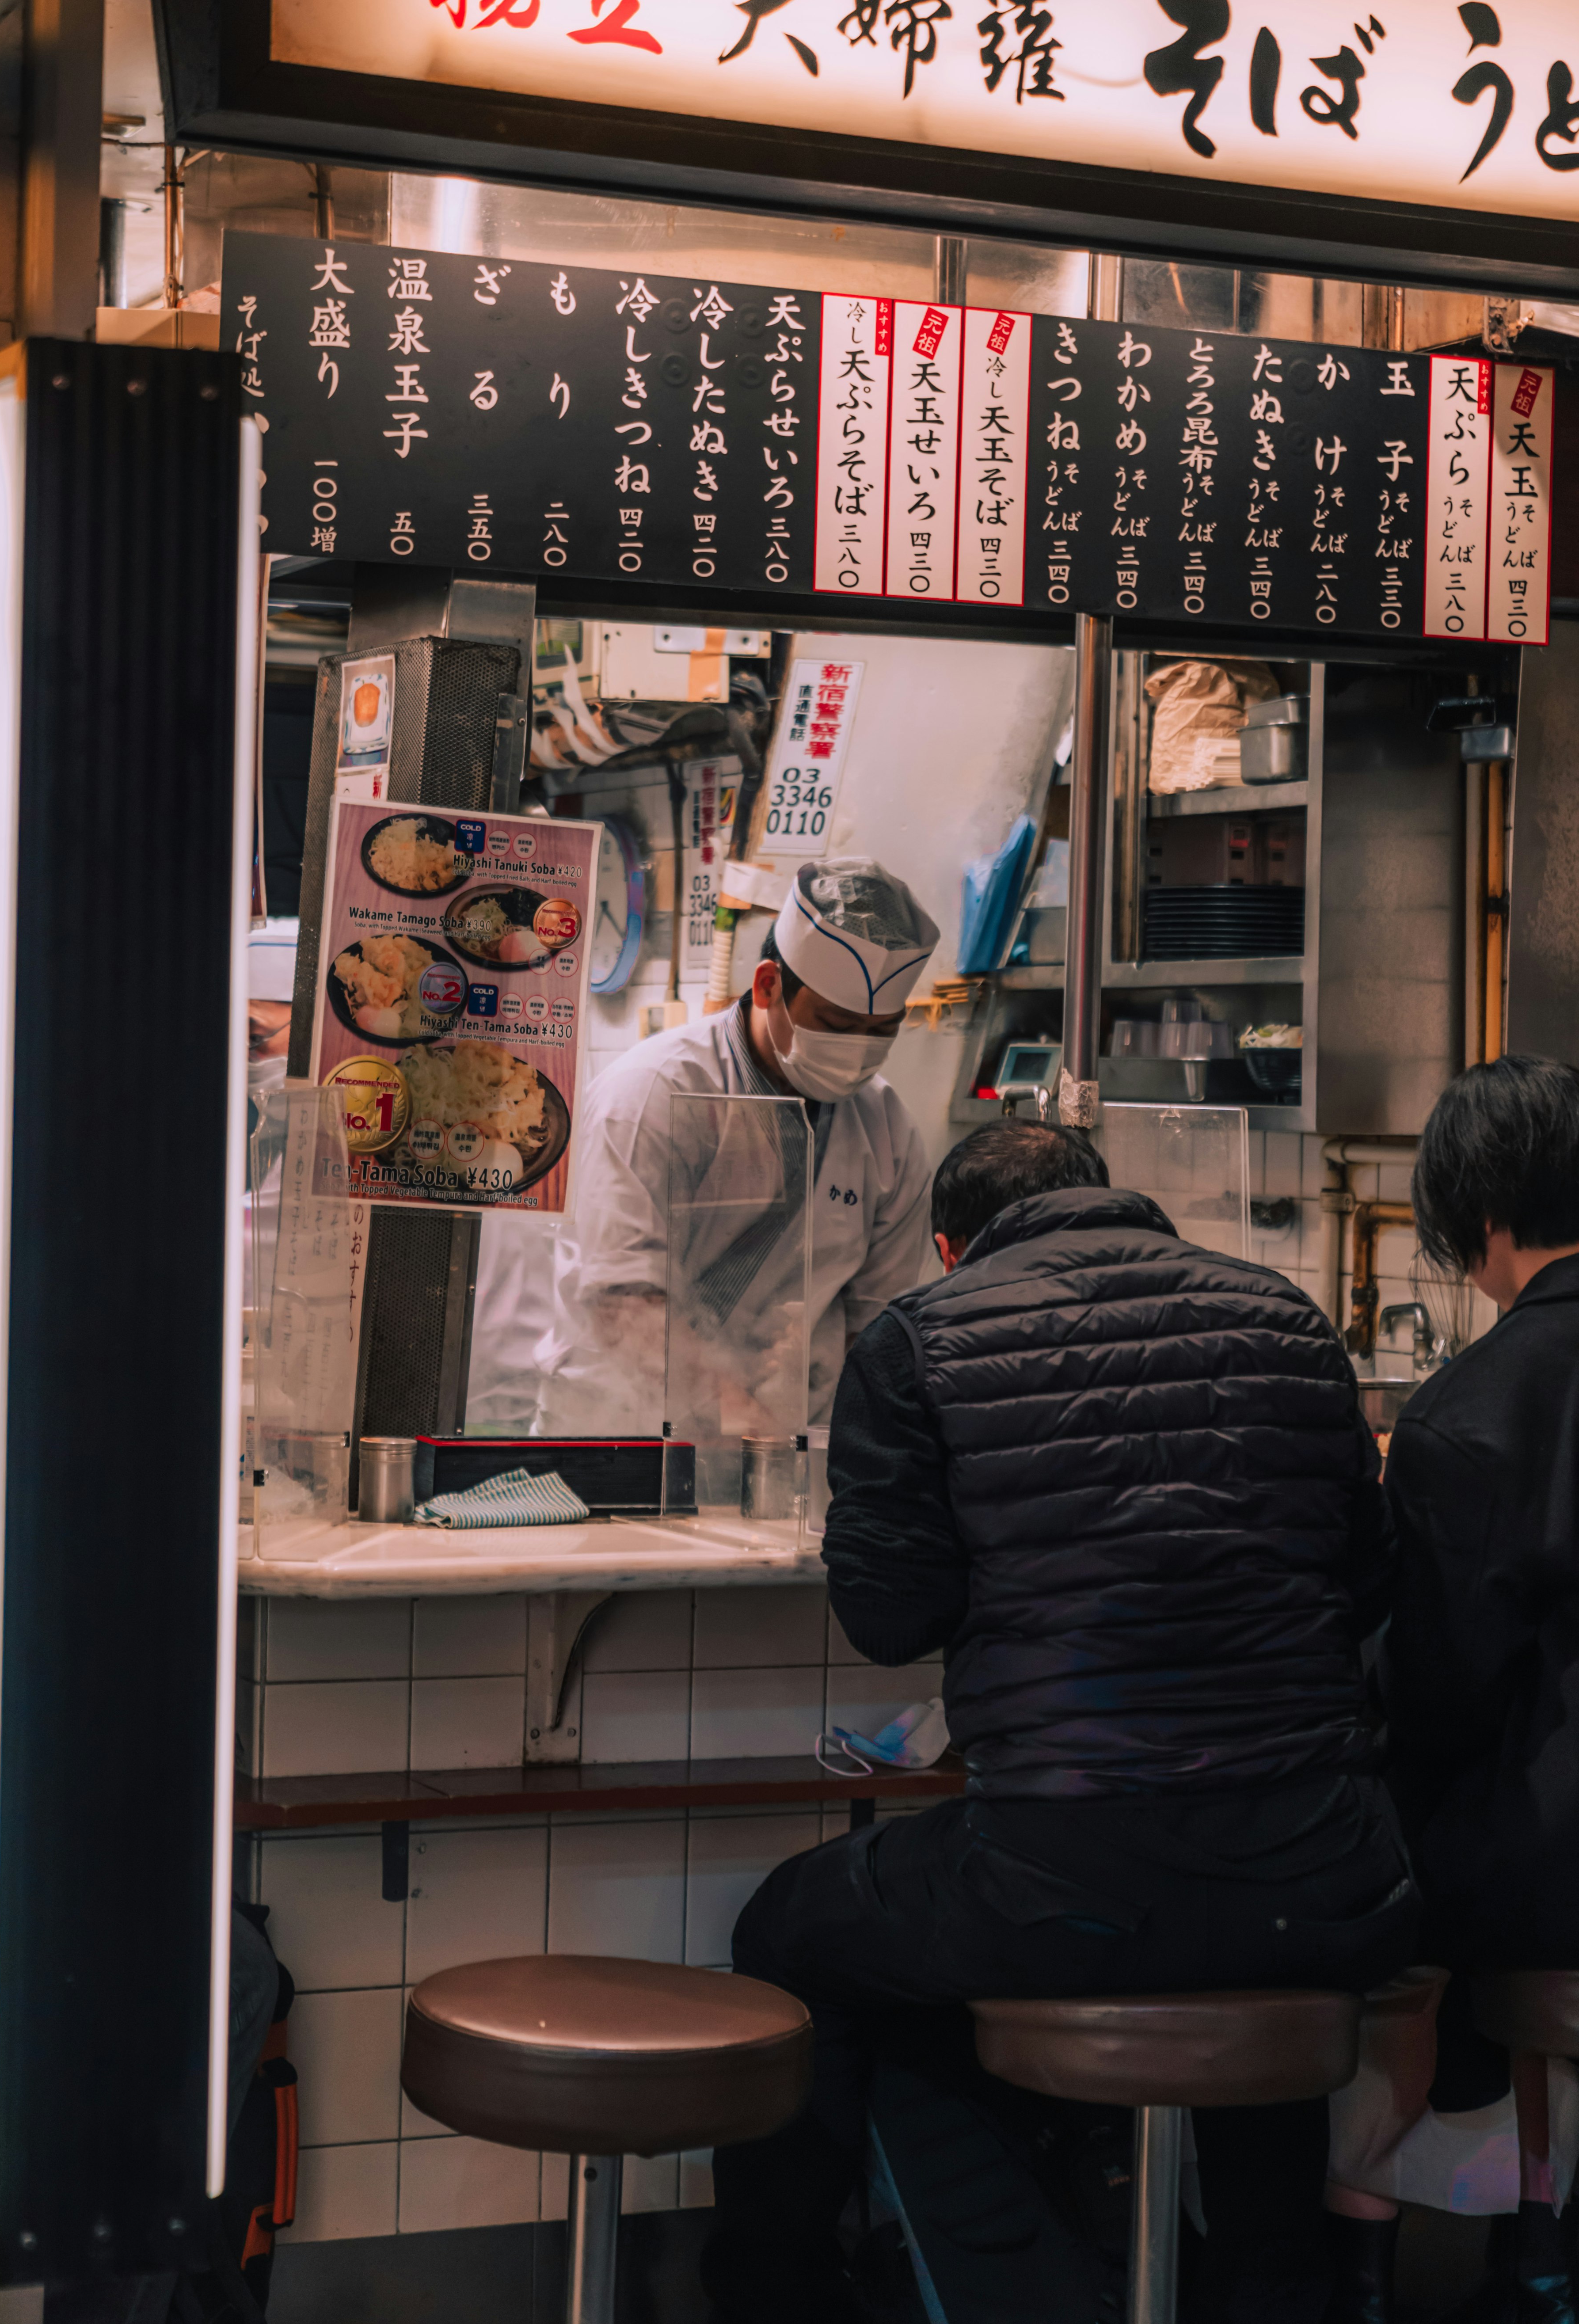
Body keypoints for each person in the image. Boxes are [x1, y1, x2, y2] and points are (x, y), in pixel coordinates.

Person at [704, 1121, 1419, 2324]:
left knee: (790, 1930)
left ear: (948, 1244)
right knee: (1248, 1949)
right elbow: (1369, 1577)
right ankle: (1270, 2293)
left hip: (1068, 1879)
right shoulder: (1288, 1316)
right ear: (1110, 1200)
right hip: (1324, 1871)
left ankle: (779, 2294)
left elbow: (888, 1614)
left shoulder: (919, 1338)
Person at [1375, 1056, 1579, 2318]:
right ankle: (1541, 2244)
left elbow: (1437, 1691)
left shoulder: (1468, 1412)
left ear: (1479, 1217)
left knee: (1365, 1884)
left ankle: (1359, 2258)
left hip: (1549, 1858)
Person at [538, 857, 939, 1434]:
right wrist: (735, 1414)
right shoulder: (655, 1092)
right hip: (619, 1428)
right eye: (834, 1023)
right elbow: (621, 1296)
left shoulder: (887, 1129)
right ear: (768, 985)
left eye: (882, 1031)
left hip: (790, 1445)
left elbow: (876, 1324)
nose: (857, 1049)